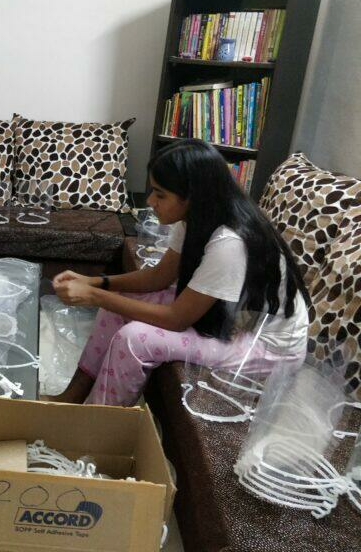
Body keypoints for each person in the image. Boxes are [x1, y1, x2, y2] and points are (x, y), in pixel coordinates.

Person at [49, 139, 310, 406]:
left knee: (135, 339)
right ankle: (71, 398)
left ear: (193, 195)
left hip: (269, 349)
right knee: (116, 304)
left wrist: (94, 296)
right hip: (231, 317)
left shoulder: (229, 243)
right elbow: (158, 277)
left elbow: (176, 319)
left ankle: (98, 420)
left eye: (160, 195)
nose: (150, 201)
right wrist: (95, 282)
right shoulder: (197, 218)